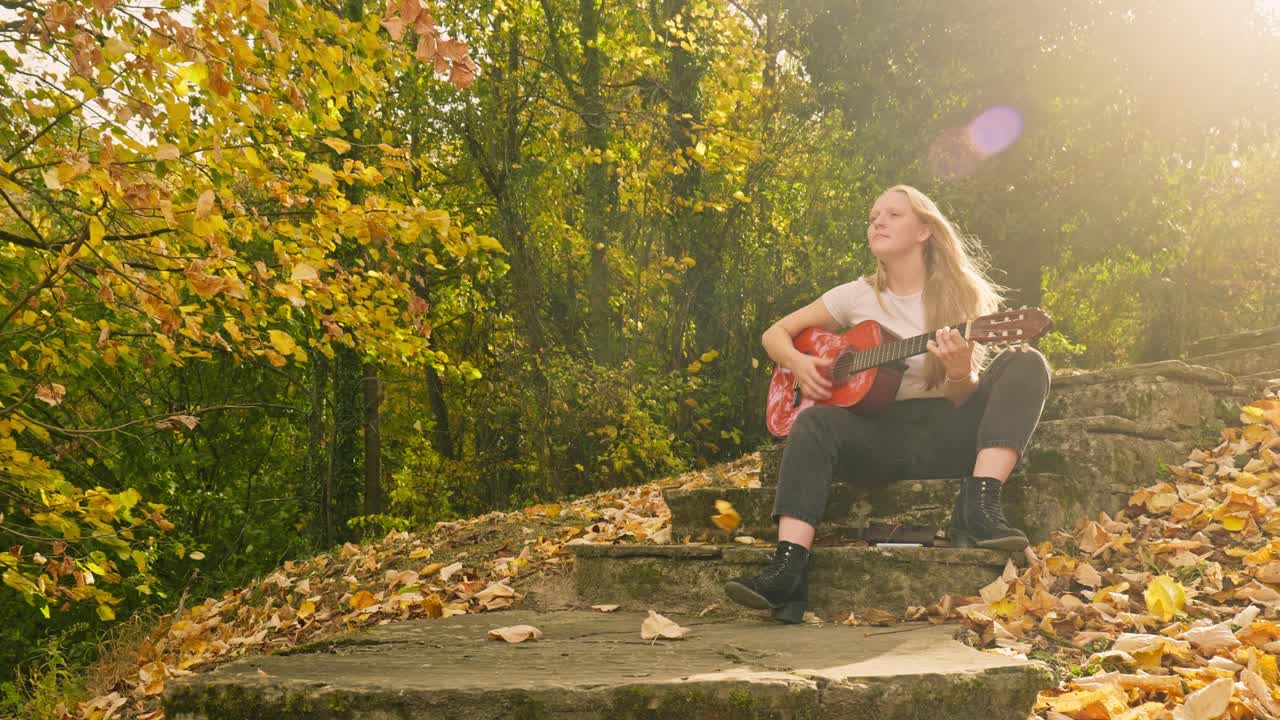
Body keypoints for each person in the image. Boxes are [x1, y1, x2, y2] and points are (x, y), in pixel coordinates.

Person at [724, 184, 1052, 624]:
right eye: (873, 215)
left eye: (893, 214)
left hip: (947, 433)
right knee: (814, 423)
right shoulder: (855, 295)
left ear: (924, 230)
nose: (877, 221)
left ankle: (981, 504)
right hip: (879, 436)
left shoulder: (961, 298)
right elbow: (774, 335)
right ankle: (787, 570)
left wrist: (958, 371)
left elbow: (962, 396)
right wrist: (800, 365)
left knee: (1025, 362)